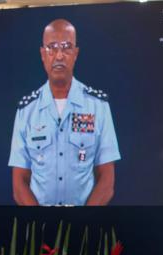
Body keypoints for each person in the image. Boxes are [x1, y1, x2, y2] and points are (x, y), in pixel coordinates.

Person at [8, 19, 120, 206]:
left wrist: (82, 222)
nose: (59, 55)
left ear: (76, 53)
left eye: (67, 47)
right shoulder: (27, 110)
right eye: (52, 47)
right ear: (43, 54)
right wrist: (41, 225)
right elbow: (19, 183)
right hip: (39, 228)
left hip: (86, 226)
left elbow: (107, 180)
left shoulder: (97, 106)